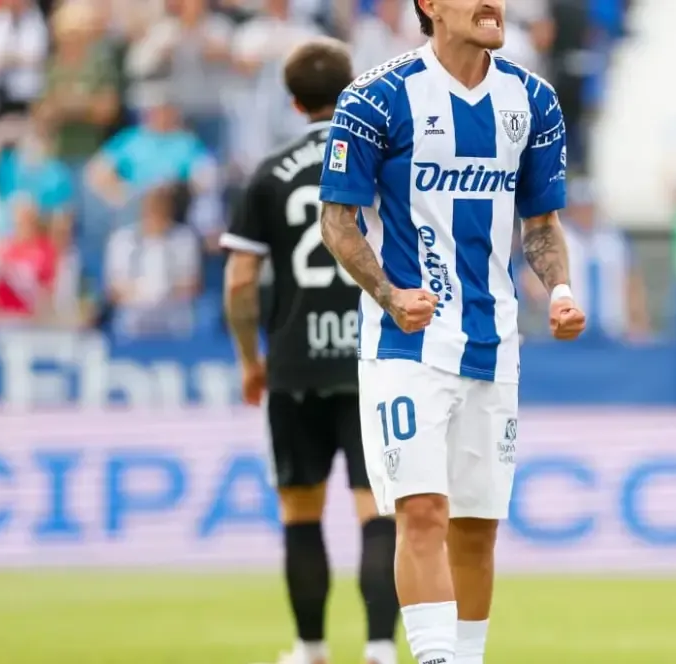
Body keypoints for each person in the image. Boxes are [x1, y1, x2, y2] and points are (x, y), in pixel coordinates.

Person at [316, 1, 585, 663]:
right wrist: (388, 293)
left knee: (475, 529)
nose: (494, 3)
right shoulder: (376, 98)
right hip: (406, 344)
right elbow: (337, 221)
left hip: (494, 343)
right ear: (430, 5)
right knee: (422, 513)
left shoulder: (534, 101)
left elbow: (541, 225)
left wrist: (559, 292)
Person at [220, 38, 400, 664]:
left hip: (294, 362)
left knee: (300, 511)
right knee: (378, 510)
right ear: (351, 90)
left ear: (293, 101)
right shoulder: (383, 161)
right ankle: (380, 647)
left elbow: (240, 283)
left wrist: (251, 360)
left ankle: (310, 647)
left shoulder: (268, 172)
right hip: (373, 360)